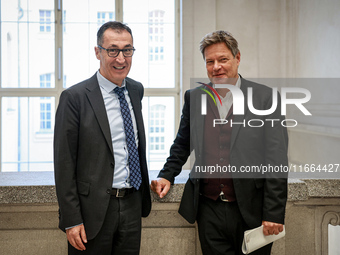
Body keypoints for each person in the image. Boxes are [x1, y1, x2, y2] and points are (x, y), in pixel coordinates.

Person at [151, 30, 288, 255]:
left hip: (251, 211)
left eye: (223, 59)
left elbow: (277, 159)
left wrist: (273, 213)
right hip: (208, 210)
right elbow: (182, 143)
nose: (216, 67)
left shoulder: (265, 98)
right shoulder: (194, 97)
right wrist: (166, 174)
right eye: (210, 61)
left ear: (238, 58)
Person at [54, 21, 151, 255]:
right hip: (92, 211)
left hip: (132, 204)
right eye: (113, 50)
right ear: (98, 52)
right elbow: (64, 163)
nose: (121, 58)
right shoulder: (74, 98)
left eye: (127, 50)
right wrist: (71, 219)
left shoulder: (136, 90)